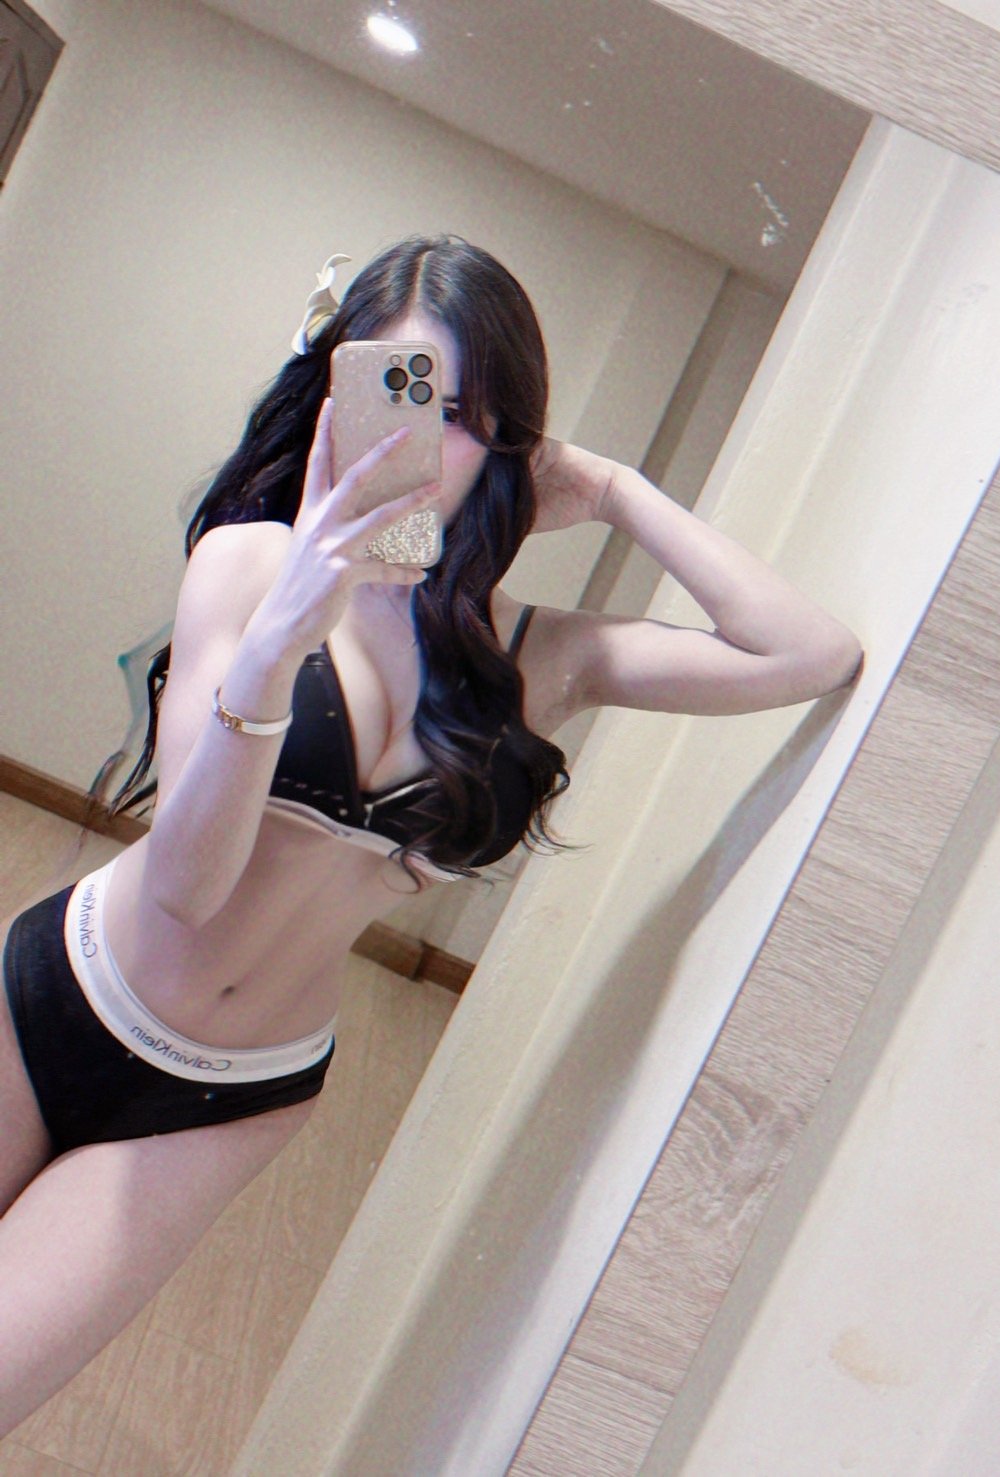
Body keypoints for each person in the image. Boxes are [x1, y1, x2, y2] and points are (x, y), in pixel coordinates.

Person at [0, 235, 861, 1432]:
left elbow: (807, 655)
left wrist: (614, 490)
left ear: (512, 440)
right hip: (61, 996)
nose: (431, 441)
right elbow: (189, 887)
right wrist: (281, 636)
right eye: (403, 391)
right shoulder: (248, 566)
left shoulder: (542, 658)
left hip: (226, 1098)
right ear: (341, 389)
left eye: (470, 416)